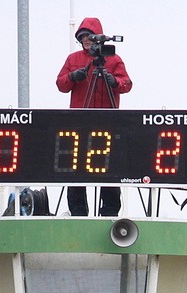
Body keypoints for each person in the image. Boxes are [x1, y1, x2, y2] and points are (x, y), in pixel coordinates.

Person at [55, 16, 132, 217]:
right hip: (79, 120)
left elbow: (127, 84)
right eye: (82, 37)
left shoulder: (114, 60)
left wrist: (113, 81)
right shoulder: (73, 59)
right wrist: (73, 77)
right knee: (75, 170)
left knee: (110, 169)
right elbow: (61, 85)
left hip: (108, 119)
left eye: (89, 36)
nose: (86, 40)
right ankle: (78, 213)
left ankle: (109, 213)